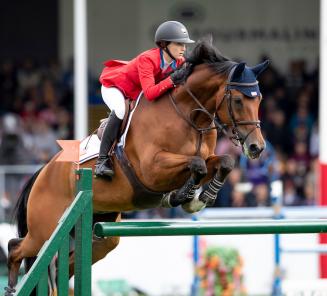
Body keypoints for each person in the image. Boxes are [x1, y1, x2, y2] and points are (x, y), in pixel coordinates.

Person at [95, 21, 194, 178]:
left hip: (135, 91)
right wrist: (172, 80)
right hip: (114, 87)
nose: (183, 48)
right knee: (120, 110)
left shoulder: (179, 61)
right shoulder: (147, 59)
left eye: (185, 44)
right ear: (164, 44)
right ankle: (102, 160)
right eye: (179, 44)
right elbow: (150, 94)